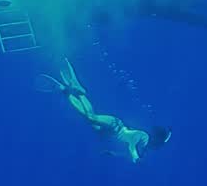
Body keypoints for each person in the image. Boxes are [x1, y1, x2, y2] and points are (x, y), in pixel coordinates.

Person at [35, 56, 171, 164]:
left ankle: (65, 91)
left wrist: (113, 154)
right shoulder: (143, 136)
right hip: (116, 126)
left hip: (108, 134)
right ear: (157, 140)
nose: (158, 148)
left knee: (88, 118)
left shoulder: (145, 150)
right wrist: (135, 157)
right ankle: (79, 90)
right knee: (91, 117)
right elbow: (131, 146)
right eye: (160, 144)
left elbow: (126, 154)